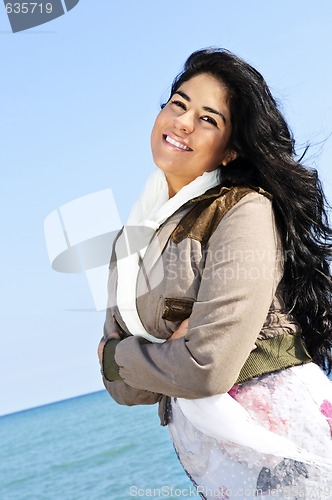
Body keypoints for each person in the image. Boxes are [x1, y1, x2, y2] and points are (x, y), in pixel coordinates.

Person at [98, 48, 332, 499]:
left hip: (283, 439)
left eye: (208, 119)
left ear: (232, 149)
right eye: (178, 104)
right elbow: (124, 392)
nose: (183, 122)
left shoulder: (245, 209)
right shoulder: (128, 243)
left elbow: (206, 369)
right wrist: (161, 359)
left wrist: (120, 355)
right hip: (211, 462)